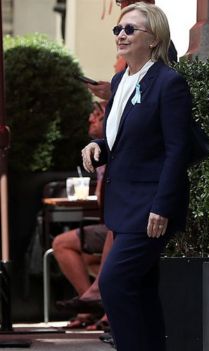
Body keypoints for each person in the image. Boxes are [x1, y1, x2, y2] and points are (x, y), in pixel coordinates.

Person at [81, 2, 192, 350]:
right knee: (141, 289)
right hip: (123, 205)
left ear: (154, 38)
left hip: (150, 209)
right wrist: (98, 145)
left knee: (114, 284)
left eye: (130, 29)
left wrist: (163, 205)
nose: (121, 35)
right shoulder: (120, 80)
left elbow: (177, 149)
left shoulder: (168, 82)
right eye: (118, 29)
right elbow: (126, 136)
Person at [52, 101, 109, 329]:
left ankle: (105, 310)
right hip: (110, 223)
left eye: (96, 114)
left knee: (111, 237)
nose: (90, 119)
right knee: (65, 247)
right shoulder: (98, 154)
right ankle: (90, 305)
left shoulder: (117, 148)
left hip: (123, 224)